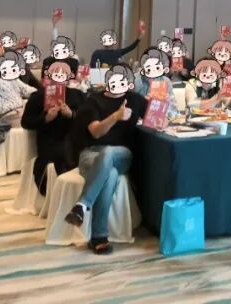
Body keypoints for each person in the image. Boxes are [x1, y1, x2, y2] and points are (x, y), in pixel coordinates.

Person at [65, 64, 147, 255]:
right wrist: (115, 117)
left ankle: (82, 205)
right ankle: (99, 237)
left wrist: (162, 110)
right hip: (91, 154)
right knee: (109, 174)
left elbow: (157, 118)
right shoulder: (93, 101)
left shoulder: (135, 99)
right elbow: (96, 132)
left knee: (109, 153)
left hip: (121, 154)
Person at [21, 60, 84, 194]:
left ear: (70, 77)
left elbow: (87, 118)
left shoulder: (78, 95)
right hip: (50, 141)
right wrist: (45, 119)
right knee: (61, 155)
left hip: (74, 140)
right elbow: (25, 122)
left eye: (63, 75)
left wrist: (71, 114)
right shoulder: (38, 96)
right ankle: (61, 194)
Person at [0, 50, 38, 144]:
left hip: (21, 112)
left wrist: (44, 93)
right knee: (39, 121)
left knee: (46, 117)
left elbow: (26, 89)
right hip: (7, 116)